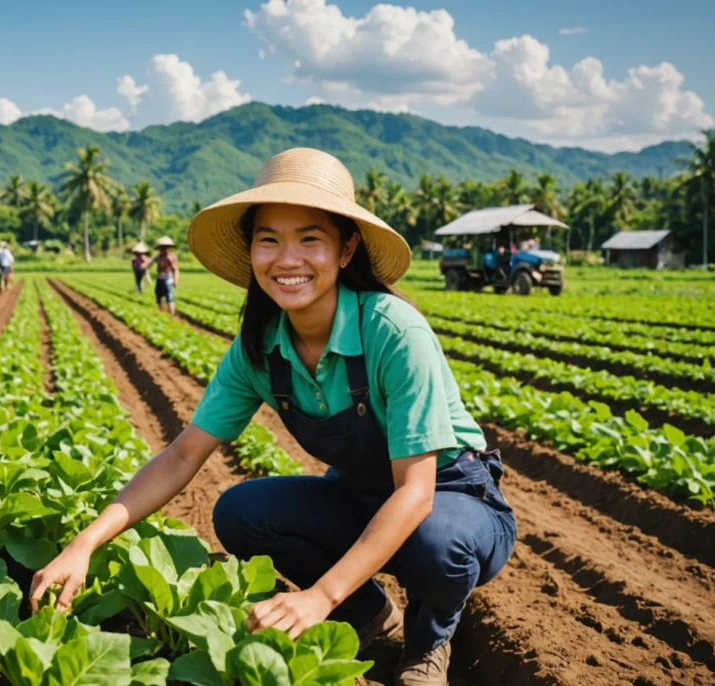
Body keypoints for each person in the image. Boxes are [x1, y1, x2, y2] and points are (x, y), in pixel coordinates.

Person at [30, 148, 516, 686]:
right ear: (252, 251)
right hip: (361, 493)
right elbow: (184, 454)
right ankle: (366, 614)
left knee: (437, 542)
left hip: (450, 494)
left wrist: (319, 596)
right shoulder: (258, 348)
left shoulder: (393, 331)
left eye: (310, 239)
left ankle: (428, 644)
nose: (288, 259)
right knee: (241, 512)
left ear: (346, 248)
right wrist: (85, 542)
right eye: (269, 240)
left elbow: (416, 493)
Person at [153, 235, 180, 314]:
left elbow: (175, 269)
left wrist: (176, 280)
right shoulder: (159, 257)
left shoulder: (170, 257)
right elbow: (150, 262)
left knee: (169, 297)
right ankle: (160, 311)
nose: (163, 249)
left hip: (168, 279)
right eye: (162, 248)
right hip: (159, 279)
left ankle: (171, 314)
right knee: (158, 295)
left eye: (165, 247)